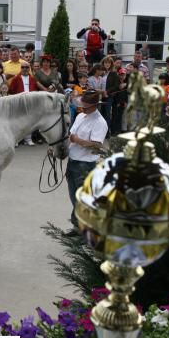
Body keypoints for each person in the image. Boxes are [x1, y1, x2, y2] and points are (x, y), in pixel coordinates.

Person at [66, 90, 108, 234]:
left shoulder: (100, 122)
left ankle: (85, 228)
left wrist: (78, 141)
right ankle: (78, 226)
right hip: (73, 160)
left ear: (95, 106)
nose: (82, 108)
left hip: (85, 164)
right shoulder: (80, 116)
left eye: (86, 106)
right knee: (73, 196)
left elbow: (97, 144)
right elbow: (70, 135)